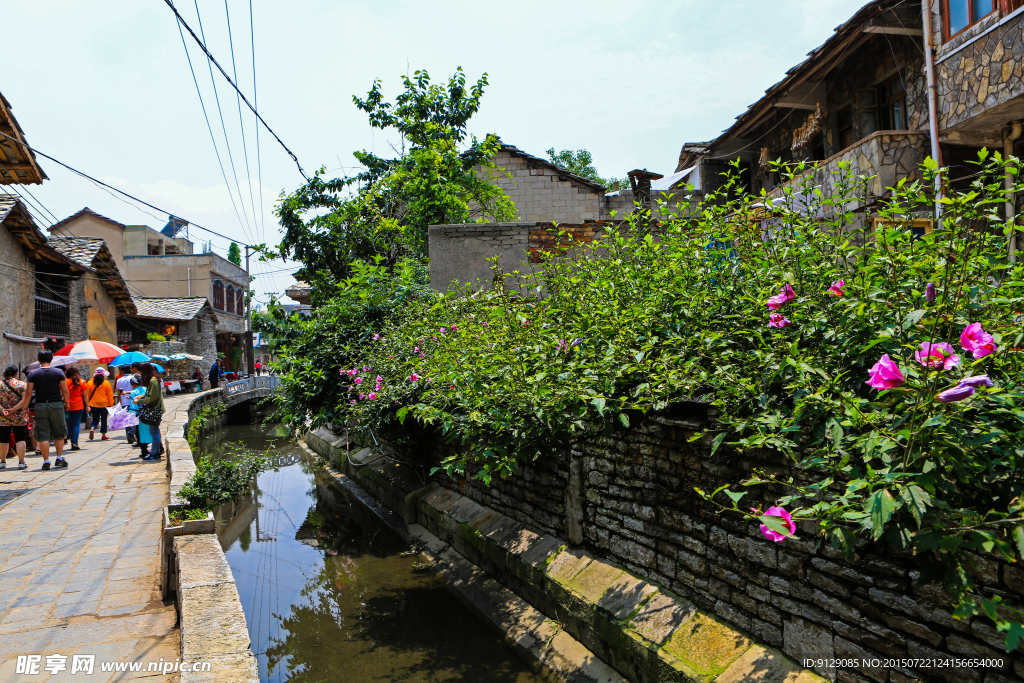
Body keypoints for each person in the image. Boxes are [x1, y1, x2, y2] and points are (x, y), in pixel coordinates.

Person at [6, 350, 69, 470]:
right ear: (51, 359)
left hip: (40, 405)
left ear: (39, 360)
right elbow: (65, 390)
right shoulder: (58, 372)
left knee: (43, 434)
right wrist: (67, 402)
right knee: (59, 432)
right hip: (56, 404)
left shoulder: (33, 374)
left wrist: (26, 407)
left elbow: (29, 392)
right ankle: (59, 458)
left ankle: (46, 461)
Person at [133, 363, 165, 460]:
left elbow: (152, 397)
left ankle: (155, 453)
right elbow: (149, 394)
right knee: (154, 432)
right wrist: (141, 396)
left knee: (154, 432)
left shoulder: (153, 380)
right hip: (154, 409)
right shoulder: (153, 380)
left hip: (153, 409)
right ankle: (156, 452)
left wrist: (139, 401)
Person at [0, 365, 28, 470]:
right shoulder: (21, 384)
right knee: (20, 438)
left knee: (3, 439)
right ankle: (21, 462)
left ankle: (2, 461)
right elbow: (24, 400)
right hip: (19, 415)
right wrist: (13, 410)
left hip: (3, 417)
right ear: (16, 373)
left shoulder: (0, 385)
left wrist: (3, 410)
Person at [64, 365, 87, 451]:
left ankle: (70, 440)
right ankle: (75, 443)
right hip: (79, 405)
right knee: (76, 424)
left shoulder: (64, 382)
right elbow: (85, 396)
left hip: (68, 405)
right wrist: (87, 406)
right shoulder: (82, 382)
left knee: (69, 424)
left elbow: (62, 394)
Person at [87, 368, 115, 441]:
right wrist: (111, 404)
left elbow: (88, 395)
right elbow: (109, 395)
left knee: (95, 419)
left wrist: (88, 404)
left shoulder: (90, 383)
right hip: (104, 404)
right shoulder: (106, 383)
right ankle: (103, 435)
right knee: (104, 420)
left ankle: (92, 428)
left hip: (93, 404)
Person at [116, 364, 140, 445]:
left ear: (123, 371)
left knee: (126, 419)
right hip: (133, 401)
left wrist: (120, 402)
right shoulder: (134, 378)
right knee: (135, 419)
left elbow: (119, 393)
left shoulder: (119, 380)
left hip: (124, 402)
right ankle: (134, 434)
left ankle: (129, 436)